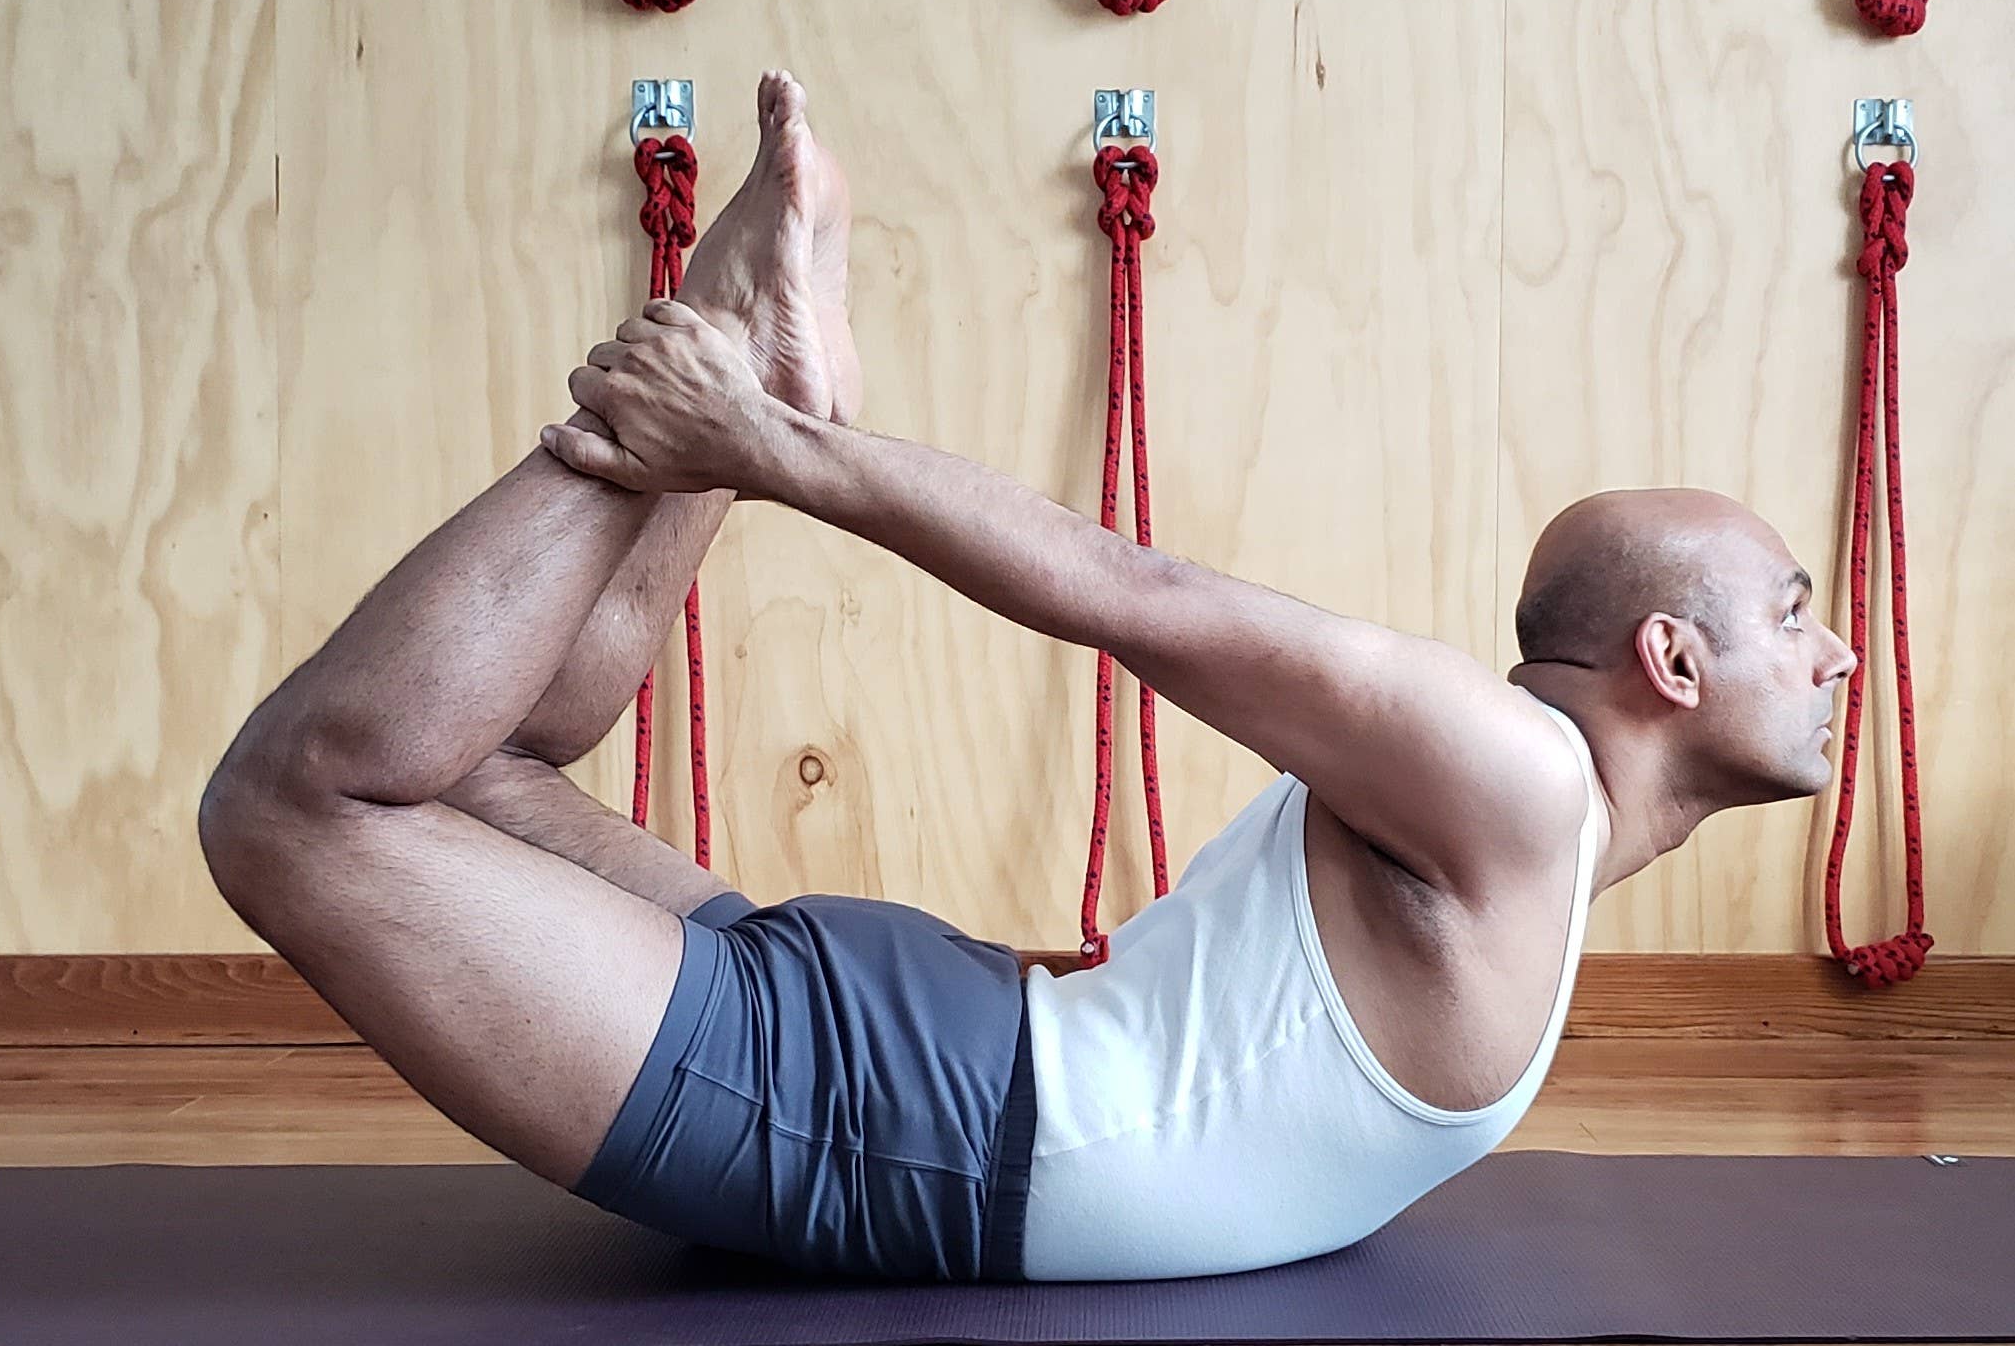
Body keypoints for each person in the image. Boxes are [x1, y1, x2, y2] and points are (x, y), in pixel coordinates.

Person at [198, 71, 1859, 1283]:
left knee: (487, 769)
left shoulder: (1543, 836)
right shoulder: (1508, 773)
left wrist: (759, 439)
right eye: (1792, 614)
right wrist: (766, 451)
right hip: (895, 1120)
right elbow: (1130, 594)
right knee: (291, 806)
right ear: (1667, 659)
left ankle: (738, 354)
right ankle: (717, 381)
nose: (1834, 651)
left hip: (946, 1064)